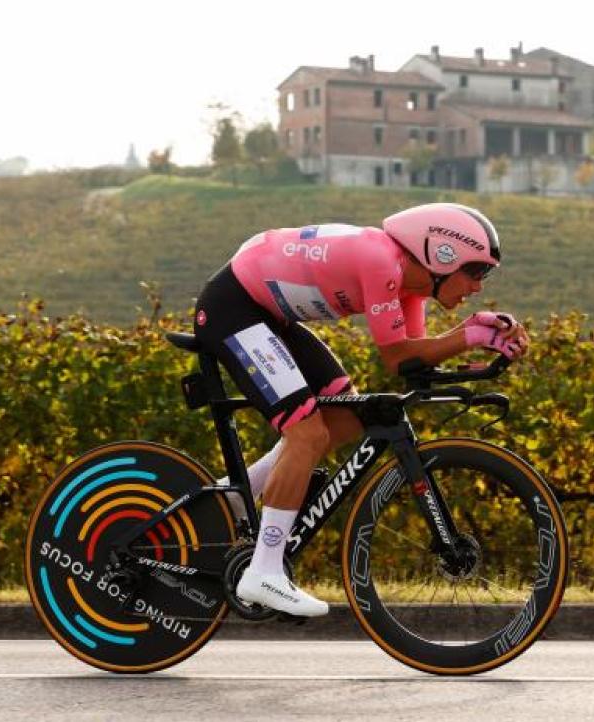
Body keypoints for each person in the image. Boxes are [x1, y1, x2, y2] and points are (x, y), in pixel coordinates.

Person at [192, 203, 528, 617]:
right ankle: (263, 571)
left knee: (347, 416)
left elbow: (412, 362)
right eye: (475, 272)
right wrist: (469, 335)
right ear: (442, 254)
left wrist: (479, 342)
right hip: (233, 308)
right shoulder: (380, 261)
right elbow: (397, 356)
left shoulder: (410, 287)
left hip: (265, 314)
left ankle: (239, 496)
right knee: (307, 433)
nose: (476, 287)